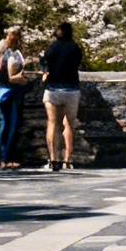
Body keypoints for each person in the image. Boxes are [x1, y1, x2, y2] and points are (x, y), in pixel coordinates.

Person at [42, 20, 85, 171]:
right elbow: (78, 63)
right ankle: (67, 159)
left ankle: (54, 159)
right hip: (71, 89)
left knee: (53, 123)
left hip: (53, 88)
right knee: (68, 125)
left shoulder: (51, 48)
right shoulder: (75, 48)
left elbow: (45, 65)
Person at [0, 26, 31, 171]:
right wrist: (19, 79)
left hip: (11, 90)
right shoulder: (3, 49)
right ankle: (4, 157)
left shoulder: (12, 50)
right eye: (13, 34)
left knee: (12, 124)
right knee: (8, 124)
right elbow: (2, 73)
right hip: (7, 91)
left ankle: (9, 157)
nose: (15, 37)